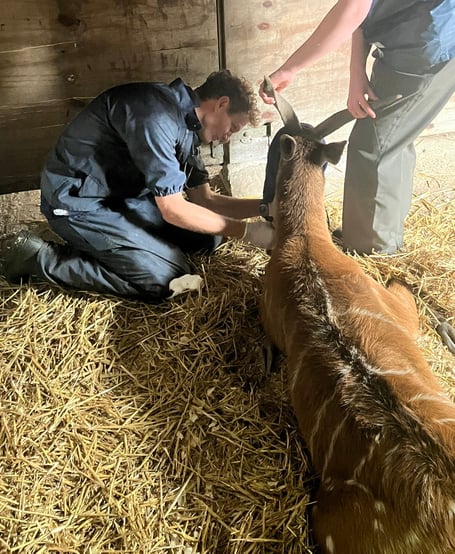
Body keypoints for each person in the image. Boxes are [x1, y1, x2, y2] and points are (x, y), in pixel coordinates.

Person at [0, 70, 274, 302]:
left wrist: (266, 206)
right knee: (167, 279)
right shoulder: (156, 115)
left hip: (124, 199)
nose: (227, 138)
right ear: (221, 104)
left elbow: (206, 201)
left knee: (209, 239)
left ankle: (129, 247)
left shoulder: (188, 128)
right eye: (233, 128)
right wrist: (248, 232)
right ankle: (36, 258)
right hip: (80, 203)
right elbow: (173, 209)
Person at [259, 0, 455, 255]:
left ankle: (373, 254)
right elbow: (363, 12)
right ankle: (382, 238)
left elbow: (354, 8)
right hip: (408, 37)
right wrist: (356, 71)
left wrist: (290, 69)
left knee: (374, 149)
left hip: (426, 42)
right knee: (391, 140)